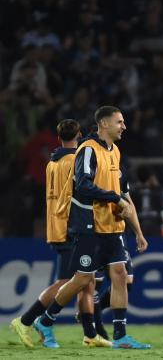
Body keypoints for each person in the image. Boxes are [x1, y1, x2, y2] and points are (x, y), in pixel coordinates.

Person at [33, 106, 151, 349]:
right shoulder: (87, 149)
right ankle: (45, 320)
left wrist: (138, 231)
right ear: (104, 124)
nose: (124, 126)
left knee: (119, 274)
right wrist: (113, 198)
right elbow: (84, 186)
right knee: (81, 279)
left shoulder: (115, 152)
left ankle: (120, 335)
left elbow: (124, 196)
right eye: (120, 122)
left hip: (112, 226)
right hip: (89, 224)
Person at [10, 119, 107, 348]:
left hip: (55, 223)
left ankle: (90, 334)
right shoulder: (74, 161)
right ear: (80, 135)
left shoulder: (52, 162)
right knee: (68, 280)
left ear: (58, 138)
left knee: (88, 280)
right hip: (69, 226)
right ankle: (26, 320)